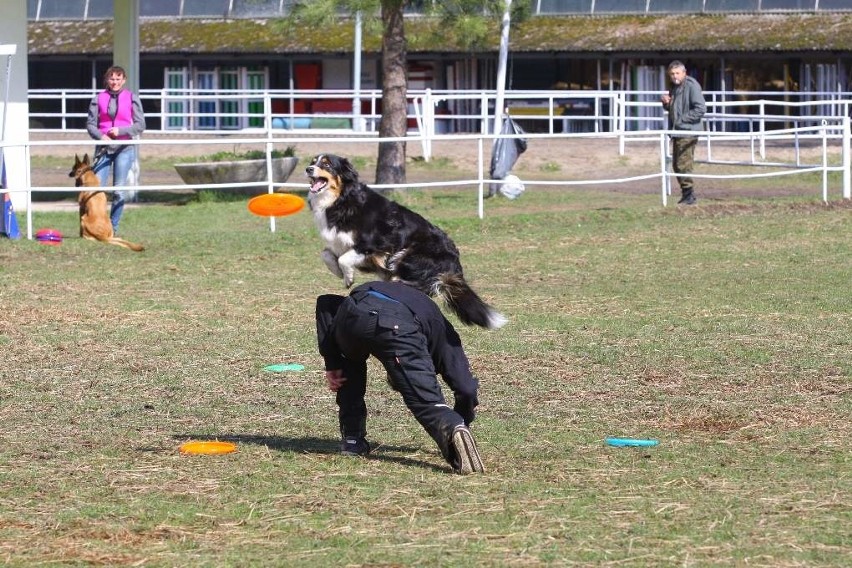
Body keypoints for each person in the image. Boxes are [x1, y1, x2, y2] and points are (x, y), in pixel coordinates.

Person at [315, 281, 485, 474]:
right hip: (395, 325)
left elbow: (327, 304)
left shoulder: (430, 320)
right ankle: (452, 429)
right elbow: (466, 387)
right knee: (427, 402)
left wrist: (334, 362)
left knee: (349, 364)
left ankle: (352, 441)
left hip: (353, 314)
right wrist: (462, 421)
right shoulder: (440, 331)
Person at [86, 65, 146, 234]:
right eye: (112, 78)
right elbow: (90, 124)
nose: (115, 82)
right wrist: (101, 136)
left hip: (124, 149)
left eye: (118, 79)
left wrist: (122, 131)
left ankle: (113, 228)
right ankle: (96, 225)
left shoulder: (132, 98)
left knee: (119, 191)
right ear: (107, 79)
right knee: (97, 190)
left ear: (124, 80)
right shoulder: (98, 99)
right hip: (103, 149)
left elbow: (141, 125)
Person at [660, 60, 706, 205]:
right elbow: (675, 109)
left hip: (688, 131)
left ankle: (689, 195)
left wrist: (681, 120)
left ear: (684, 73)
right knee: (676, 164)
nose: (674, 76)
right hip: (678, 131)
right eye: (672, 74)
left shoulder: (692, 86)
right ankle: (687, 194)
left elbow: (700, 109)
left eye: (677, 73)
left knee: (682, 163)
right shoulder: (674, 87)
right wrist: (667, 104)